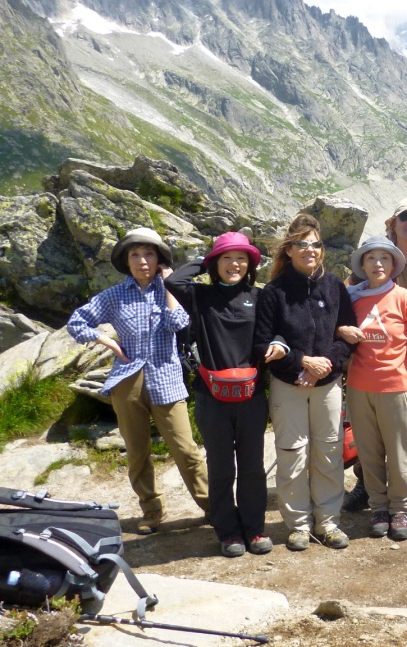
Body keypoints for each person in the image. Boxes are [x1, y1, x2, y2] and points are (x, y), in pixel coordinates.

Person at [67, 228, 209, 534]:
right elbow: (77, 321)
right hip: (126, 380)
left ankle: (212, 506)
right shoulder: (115, 295)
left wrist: (170, 286)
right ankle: (151, 509)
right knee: (137, 450)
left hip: (167, 378)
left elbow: (179, 323)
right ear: (126, 260)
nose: (142, 260)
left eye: (149, 253)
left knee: (186, 449)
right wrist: (107, 341)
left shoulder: (173, 290)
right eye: (135, 254)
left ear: (159, 259)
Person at [166, 232, 280, 557]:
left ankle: (254, 529)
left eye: (242, 258)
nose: (235, 264)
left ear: (251, 265)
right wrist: (207, 258)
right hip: (210, 395)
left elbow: (275, 330)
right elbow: (174, 280)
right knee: (220, 466)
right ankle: (228, 532)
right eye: (227, 258)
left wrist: (279, 344)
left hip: (251, 395)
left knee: (252, 465)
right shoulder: (200, 295)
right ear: (215, 263)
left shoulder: (259, 297)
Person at [253, 214, 357, 552]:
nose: (310, 250)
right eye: (302, 244)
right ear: (289, 250)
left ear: (322, 250)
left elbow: (347, 334)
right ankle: (298, 525)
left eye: (315, 244)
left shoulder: (334, 286)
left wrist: (322, 366)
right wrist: (302, 362)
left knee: (328, 451)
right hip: (289, 384)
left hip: (327, 383)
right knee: (292, 453)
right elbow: (262, 342)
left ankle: (327, 522)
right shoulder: (274, 291)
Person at [340, 236, 407, 541]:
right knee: (368, 451)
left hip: (396, 386)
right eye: (371, 259)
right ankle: (378, 507)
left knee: (399, 451)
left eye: (384, 259)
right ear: (362, 265)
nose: (377, 264)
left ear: (393, 265)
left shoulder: (404, 297)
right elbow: (337, 335)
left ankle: (401, 508)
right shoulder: (350, 298)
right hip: (359, 386)